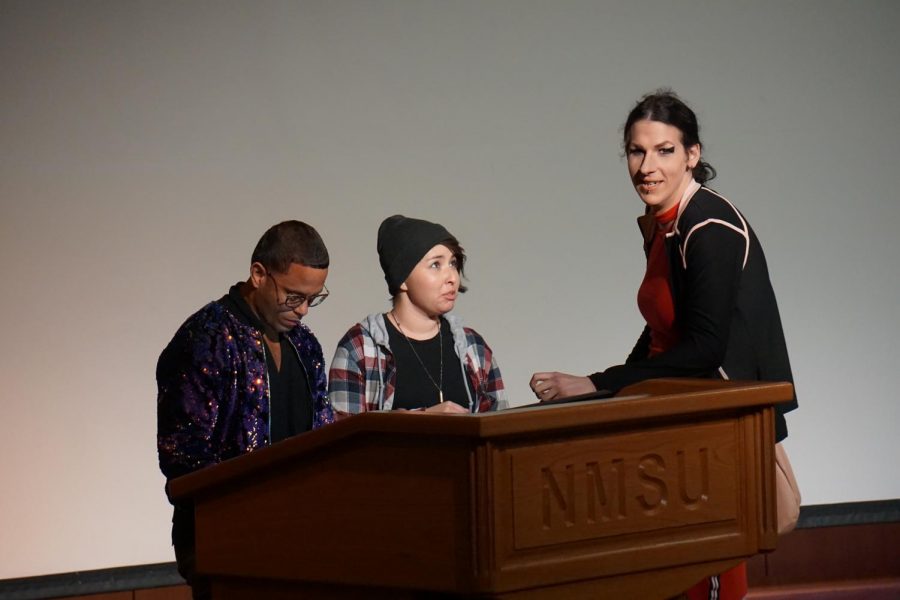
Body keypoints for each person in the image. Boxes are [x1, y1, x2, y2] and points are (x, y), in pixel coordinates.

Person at [530, 90, 798, 600]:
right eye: (636, 151)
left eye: (664, 150)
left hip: (715, 430)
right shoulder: (665, 224)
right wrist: (600, 392)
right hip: (675, 424)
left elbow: (704, 350)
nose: (646, 166)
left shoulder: (708, 225)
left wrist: (599, 383)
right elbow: (663, 331)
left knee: (701, 575)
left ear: (692, 155)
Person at [157, 220, 335, 599]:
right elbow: (183, 457)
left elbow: (323, 437)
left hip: (300, 541)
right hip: (225, 543)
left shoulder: (305, 347)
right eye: (292, 295)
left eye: (312, 298)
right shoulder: (205, 338)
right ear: (258, 274)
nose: (303, 309)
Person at [329, 215, 507, 415]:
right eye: (435, 265)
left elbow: (500, 429)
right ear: (402, 279)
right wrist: (424, 419)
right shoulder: (360, 347)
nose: (452, 277)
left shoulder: (473, 347)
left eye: (453, 263)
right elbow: (345, 438)